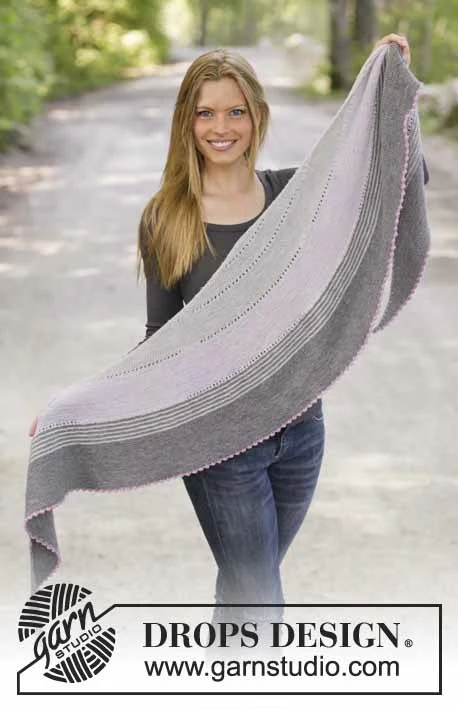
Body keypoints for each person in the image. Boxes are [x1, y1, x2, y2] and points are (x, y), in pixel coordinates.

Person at [29, 32, 427, 654]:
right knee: (258, 593)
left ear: (257, 115)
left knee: (249, 588)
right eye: (206, 113)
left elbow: (400, 175)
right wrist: (75, 408)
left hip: (301, 428)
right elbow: (161, 340)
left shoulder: (296, 197)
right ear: (186, 122)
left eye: (236, 111)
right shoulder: (167, 217)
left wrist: (387, 82)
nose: (221, 128)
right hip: (218, 441)